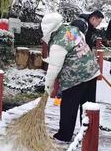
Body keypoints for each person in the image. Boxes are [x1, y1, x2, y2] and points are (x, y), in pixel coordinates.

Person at [42, 12, 100, 142]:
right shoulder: (71, 30)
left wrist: (48, 87)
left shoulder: (58, 43)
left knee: (69, 106)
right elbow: (81, 41)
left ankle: (64, 135)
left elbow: (54, 68)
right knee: (87, 104)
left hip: (75, 77)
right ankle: (88, 133)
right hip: (91, 71)